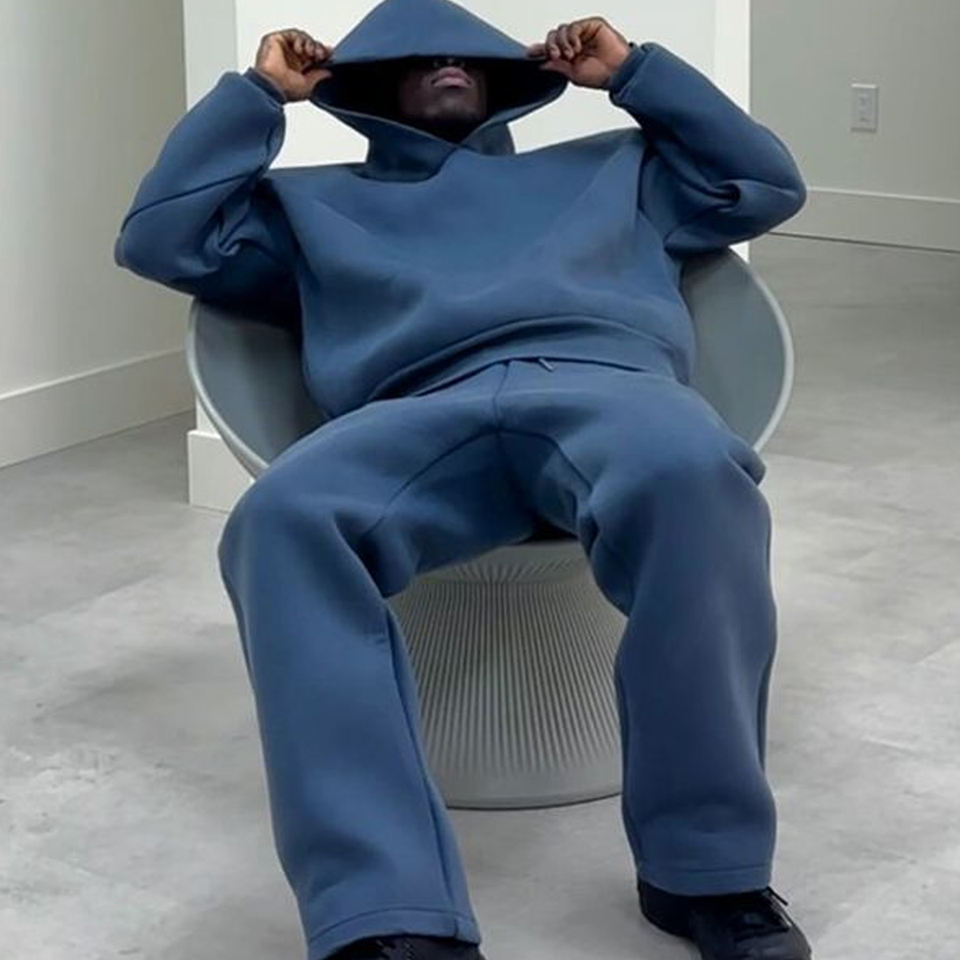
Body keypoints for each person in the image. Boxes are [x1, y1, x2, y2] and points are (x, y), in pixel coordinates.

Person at [114, 1, 813, 958]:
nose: (446, 64)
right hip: (412, 411)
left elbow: (766, 183)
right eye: (416, 57)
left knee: (695, 474)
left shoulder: (615, 166)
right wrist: (255, 97)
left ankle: (708, 873)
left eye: (465, 55)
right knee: (279, 520)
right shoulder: (306, 203)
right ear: (365, 87)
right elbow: (159, 242)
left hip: (606, 386)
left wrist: (635, 73)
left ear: (501, 77)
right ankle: (385, 909)